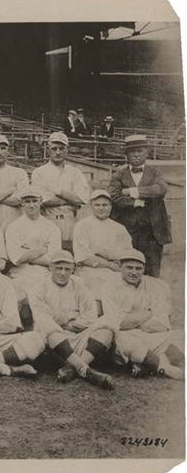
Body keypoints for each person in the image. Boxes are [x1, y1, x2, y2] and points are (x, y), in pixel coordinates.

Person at [28, 250, 115, 390]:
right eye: (59, 268)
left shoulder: (80, 286)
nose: (63, 273)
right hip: (53, 344)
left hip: (77, 337)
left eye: (67, 269)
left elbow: (90, 319)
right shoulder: (38, 287)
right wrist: (72, 316)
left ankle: (73, 368)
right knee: (47, 326)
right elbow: (42, 317)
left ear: (73, 270)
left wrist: (64, 322)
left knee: (107, 326)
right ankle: (85, 369)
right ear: (50, 267)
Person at [99, 249, 184, 380]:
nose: (134, 272)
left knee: (182, 335)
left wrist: (132, 320)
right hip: (127, 336)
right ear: (120, 267)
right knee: (121, 340)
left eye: (138, 268)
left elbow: (163, 325)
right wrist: (149, 313)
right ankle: (163, 366)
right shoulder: (109, 286)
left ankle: (146, 364)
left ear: (144, 269)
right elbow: (118, 323)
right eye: (129, 267)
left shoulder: (156, 286)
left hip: (153, 335)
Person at [107, 134, 171, 277]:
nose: (136, 155)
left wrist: (131, 191)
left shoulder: (155, 172)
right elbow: (113, 195)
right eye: (132, 151)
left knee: (152, 272)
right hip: (126, 230)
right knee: (125, 270)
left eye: (139, 150)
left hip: (152, 231)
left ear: (146, 152)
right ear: (126, 154)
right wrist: (135, 202)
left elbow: (161, 189)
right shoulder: (119, 174)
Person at [31, 131, 90, 249]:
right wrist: (70, 198)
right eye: (54, 148)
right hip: (48, 219)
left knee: (69, 256)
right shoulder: (39, 172)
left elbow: (82, 199)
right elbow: (42, 200)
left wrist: (59, 192)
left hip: (70, 220)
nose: (58, 152)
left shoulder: (75, 172)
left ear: (67, 149)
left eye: (61, 148)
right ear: (48, 150)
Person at [73, 189, 133, 297]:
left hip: (115, 271)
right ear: (91, 206)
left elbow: (126, 254)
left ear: (110, 206)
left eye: (105, 205)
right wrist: (109, 263)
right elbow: (83, 257)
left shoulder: (119, 228)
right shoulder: (82, 226)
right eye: (97, 205)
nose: (101, 208)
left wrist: (101, 253)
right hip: (89, 270)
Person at [5, 186, 61, 296]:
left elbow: (53, 259)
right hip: (20, 273)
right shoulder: (14, 227)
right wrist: (42, 250)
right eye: (27, 201)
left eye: (34, 201)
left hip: (45, 273)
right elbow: (16, 258)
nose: (31, 205)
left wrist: (28, 253)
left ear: (41, 202)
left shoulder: (51, 227)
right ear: (22, 203)